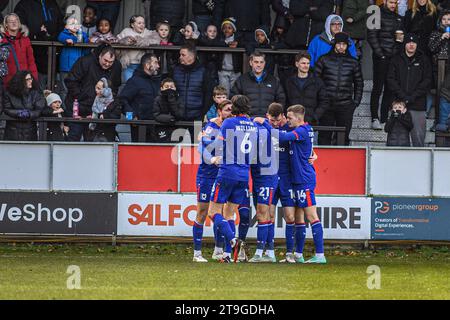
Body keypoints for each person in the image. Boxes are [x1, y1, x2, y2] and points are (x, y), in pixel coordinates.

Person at [254, 104, 326, 264]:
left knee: (308, 216)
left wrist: (265, 123)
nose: (287, 120)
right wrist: (312, 153)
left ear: (296, 118)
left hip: (301, 180)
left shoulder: (299, 131)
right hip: (291, 179)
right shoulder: (300, 130)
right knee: (299, 217)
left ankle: (319, 255)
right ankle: (296, 254)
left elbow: (284, 137)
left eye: (289, 117)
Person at [206, 95, 259, 263]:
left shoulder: (229, 123)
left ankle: (233, 240)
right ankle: (228, 255)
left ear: (234, 107)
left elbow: (219, 145)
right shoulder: (253, 126)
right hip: (244, 175)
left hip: (227, 171)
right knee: (229, 214)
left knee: (213, 212)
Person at [193, 99, 233, 262]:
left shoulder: (232, 126)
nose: (230, 112)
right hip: (206, 175)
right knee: (202, 212)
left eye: (232, 110)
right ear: (219, 111)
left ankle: (218, 250)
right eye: (227, 110)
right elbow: (201, 148)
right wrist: (212, 159)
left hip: (223, 175)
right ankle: (197, 253)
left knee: (221, 211)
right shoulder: (211, 127)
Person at [64, 44, 122, 142]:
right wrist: (82, 96)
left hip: (97, 111)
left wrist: (107, 103)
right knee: (73, 139)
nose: (107, 64)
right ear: (100, 56)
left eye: (111, 62)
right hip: (78, 108)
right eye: (105, 60)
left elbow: (115, 87)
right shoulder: (85, 61)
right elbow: (70, 81)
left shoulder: (116, 66)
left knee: (93, 143)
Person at [314, 32, 364, 146]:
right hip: (326, 105)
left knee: (343, 137)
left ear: (347, 46)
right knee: (324, 137)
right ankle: (323, 162)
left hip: (346, 105)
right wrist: (320, 101)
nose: (341, 47)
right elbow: (315, 82)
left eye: (344, 44)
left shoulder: (353, 62)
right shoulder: (323, 59)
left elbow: (359, 83)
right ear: (334, 44)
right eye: (339, 44)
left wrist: (355, 103)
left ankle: (341, 163)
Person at [387, 33, 432, 147]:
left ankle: (419, 164)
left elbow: (427, 80)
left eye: (414, 42)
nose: (411, 45)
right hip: (399, 105)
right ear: (404, 44)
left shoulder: (424, 60)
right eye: (409, 42)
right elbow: (390, 79)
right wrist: (402, 96)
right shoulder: (396, 59)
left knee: (418, 139)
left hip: (418, 104)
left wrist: (413, 96)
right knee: (397, 139)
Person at [367, 0, 404, 130]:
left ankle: (384, 118)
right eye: (391, 2)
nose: (393, 5)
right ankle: (374, 118)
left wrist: (395, 52)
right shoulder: (375, 13)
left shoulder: (399, 18)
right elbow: (371, 36)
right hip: (380, 57)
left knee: (390, 88)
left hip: (393, 58)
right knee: (378, 87)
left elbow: (399, 40)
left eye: (395, 3)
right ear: (384, 1)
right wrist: (380, 54)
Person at [14, 0, 64, 91]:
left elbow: (61, 25)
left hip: (53, 55)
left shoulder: (52, 3)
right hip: (33, 54)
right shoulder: (23, 4)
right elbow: (19, 29)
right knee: (35, 89)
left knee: (55, 91)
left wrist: (53, 37)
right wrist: (37, 34)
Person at [119, 53, 161, 142]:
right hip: (140, 126)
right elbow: (122, 100)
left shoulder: (157, 81)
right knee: (140, 153)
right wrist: (131, 117)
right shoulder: (134, 81)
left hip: (157, 125)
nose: (158, 66)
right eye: (156, 63)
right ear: (147, 65)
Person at [231, 51, 286, 117]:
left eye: (261, 62)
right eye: (256, 62)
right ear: (251, 63)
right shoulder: (242, 80)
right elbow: (234, 99)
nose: (259, 65)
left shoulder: (273, 80)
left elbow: (281, 99)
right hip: (248, 120)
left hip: (268, 120)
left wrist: (274, 115)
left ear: (264, 63)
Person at [172, 45, 213, 123]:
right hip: (178, 117)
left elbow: (209, 94)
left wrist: (202, 113)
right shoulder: (175, 71)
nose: (180, 57)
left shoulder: (203, 72)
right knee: (177, 135)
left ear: (192, 56)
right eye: (180, 55)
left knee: (197, 135)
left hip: (197, 117)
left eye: (183, 55)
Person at [285, 52, 329, 125]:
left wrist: (315, 117)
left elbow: (324, 101)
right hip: (292, 122)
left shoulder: (317, 82)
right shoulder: (289, 81)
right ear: (297, 64)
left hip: (310, 123)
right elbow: (285, 100)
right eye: (303, 63)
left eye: (308, 63)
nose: (306, 66)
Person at [3, 71, 45, 141]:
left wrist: (29, 114)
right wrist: (18, 113)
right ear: (21, 81)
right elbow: (6, 109)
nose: (31, 81)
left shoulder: (36, 93)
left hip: (30, 131)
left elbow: (40, 109)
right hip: (12, 131)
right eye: (28, 79)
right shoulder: (9, 94)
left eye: (31, 78)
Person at [117, 15, 159, 82]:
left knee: (141, 83)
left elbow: (156, 38)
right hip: (128, 65)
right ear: (132, 25)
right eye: (139, 23)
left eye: (143, 23)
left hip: (141, 65)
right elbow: (117, 41)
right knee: (129, 83)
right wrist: (125, 41)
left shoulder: (146, 32)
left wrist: (145, 41)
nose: (142, 25)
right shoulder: (126, 31)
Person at [57, 16, 89, 105]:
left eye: (76, 23)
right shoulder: (64, 33)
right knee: (64, 89)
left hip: (79, 67)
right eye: (71, 23)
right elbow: (60, 37)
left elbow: (87, 42)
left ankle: (77, 109)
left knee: (78, 88)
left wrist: (83, 39)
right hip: (66, 67)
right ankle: (63, 108)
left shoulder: (82, 34)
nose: (75, 25)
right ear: (66, 27)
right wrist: (68, 40)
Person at [0, 13, 38, 86]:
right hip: (6, 80)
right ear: (6, 24)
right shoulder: (2, 39)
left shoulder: (25, 39)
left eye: (16, 20)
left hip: (23, 80)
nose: (14, 23)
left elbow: (31, 61)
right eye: (11, 21)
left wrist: (34, 79)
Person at [152, 78, 186, 143]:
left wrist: (172, 100)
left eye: (171, 87)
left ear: (175, 88)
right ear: (161, 88)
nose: (169, 89)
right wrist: (170, 119)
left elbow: (180, 115)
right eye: (167, 87)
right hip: (161, 128)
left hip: (176, 129)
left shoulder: (180, 99)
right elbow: (156, 114)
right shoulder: (158, 99)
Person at [89, 77, 121, 142]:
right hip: (94, 135)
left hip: (108, 135)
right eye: (96, 87)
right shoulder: (95, 99)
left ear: (106, 90)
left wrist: (104, 116)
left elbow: (116, 117)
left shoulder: (114, 102)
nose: (96, 90)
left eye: (99, 88)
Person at [217, 17, 243, 96]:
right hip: (223, 71)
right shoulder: (220, 39)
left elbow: (246, 44)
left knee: (235, 94)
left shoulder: (238, 40)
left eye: (229, 28)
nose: (226, 30)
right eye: (224, 28)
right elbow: (213, 43)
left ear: (234, 30)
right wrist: (226, 44)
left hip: (235, 71)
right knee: (224, 94)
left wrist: (238, 44)